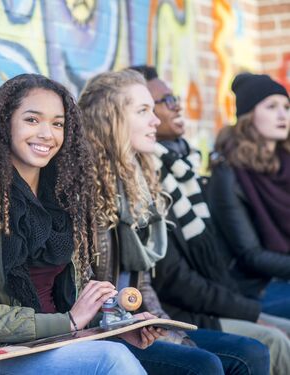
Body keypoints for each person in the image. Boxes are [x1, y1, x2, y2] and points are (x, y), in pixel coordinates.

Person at [0, 73, 163, 375]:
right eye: (32, 120)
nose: (47, 133)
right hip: (1, 358)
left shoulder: (64, 200)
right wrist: (67, 322)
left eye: (57, 124)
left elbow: (71, 304)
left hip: (64, 342)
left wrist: (115, 324)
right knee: (111, 360)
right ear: (5, 124)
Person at [78, 69, 270, 375]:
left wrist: (167, 329)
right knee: (205, 364)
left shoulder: (138, 181)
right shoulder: (82, 187)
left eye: (153, 111)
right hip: (102, 330)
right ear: (109, 118)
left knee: (251, 352)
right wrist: (162, 334)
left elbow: (143, 285)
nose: (155, 121)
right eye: (143, 111)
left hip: (139, 320)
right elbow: (82, 287)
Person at [129, 64, 289, 375]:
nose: (176, 107)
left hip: (221, 295)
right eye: (160, 103)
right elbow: (173, 278)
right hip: (235, 293)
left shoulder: (183, 171)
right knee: (265, 344)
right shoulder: (213, 175)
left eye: (174, 99)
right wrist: (250, 311)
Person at [209, 72, 290, 320]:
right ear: (248, 114)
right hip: (256, 288)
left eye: (286, 107)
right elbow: (250, 255)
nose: (282, 115)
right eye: (271, 106)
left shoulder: (286, 164)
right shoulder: (228, 174)